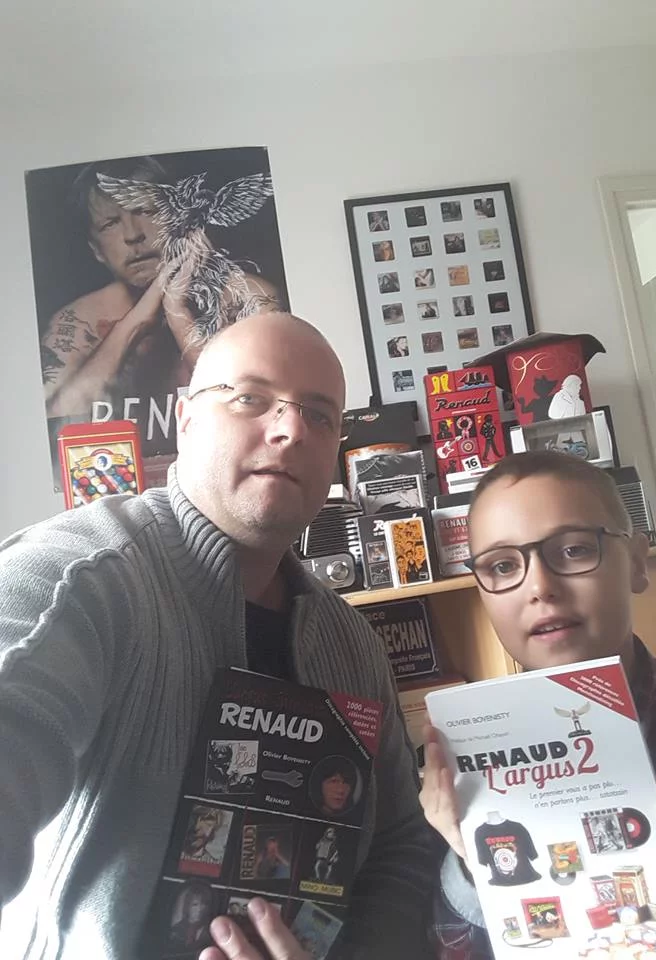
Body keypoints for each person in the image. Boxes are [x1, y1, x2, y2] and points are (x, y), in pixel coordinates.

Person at [0, 312, 433, 960]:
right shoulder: (79, 579)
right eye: (250, 398)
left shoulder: (353, 645)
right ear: (186, 420)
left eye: (319, 415)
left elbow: (400, 846)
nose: (290, 429)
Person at [419, 451, 656, 957]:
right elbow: (452, 944)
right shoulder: (455, 766)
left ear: (637, 562)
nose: (541, 588)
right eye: (502, 565)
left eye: (575, 550)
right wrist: (470, 860)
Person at [41, 156, 280, 421]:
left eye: (146, 211)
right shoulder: (79, 321)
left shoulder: (247, 297)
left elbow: (262, 409)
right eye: (110, 224)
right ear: (96, 251)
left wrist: (177, 312)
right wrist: (137, 320)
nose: (133, 234)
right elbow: (59, 421)